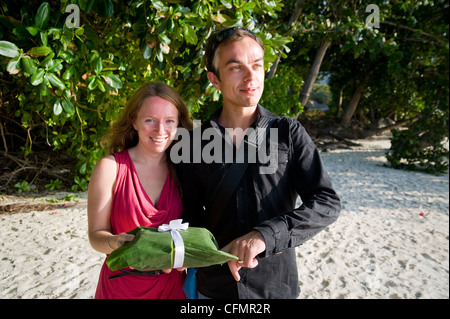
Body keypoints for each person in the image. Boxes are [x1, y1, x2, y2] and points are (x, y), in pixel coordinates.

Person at [178, 27, 341, 299]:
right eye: (235, 67)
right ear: (214, 79)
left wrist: (264, 236)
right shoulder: (194, 142)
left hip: (275, 287)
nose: (250, 76)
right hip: (215, 287)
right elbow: (190, 214)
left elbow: (326, 202)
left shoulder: (288, 133)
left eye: (257, 65)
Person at [88, 82, 193, 299]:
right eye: (150, 121)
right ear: (134, 121)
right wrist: (114, 242)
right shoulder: (110, 168)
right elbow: (95, 234)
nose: (160, 130)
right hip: (120, 287)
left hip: (172, 288)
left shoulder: (185, 170)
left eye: (169, 121)